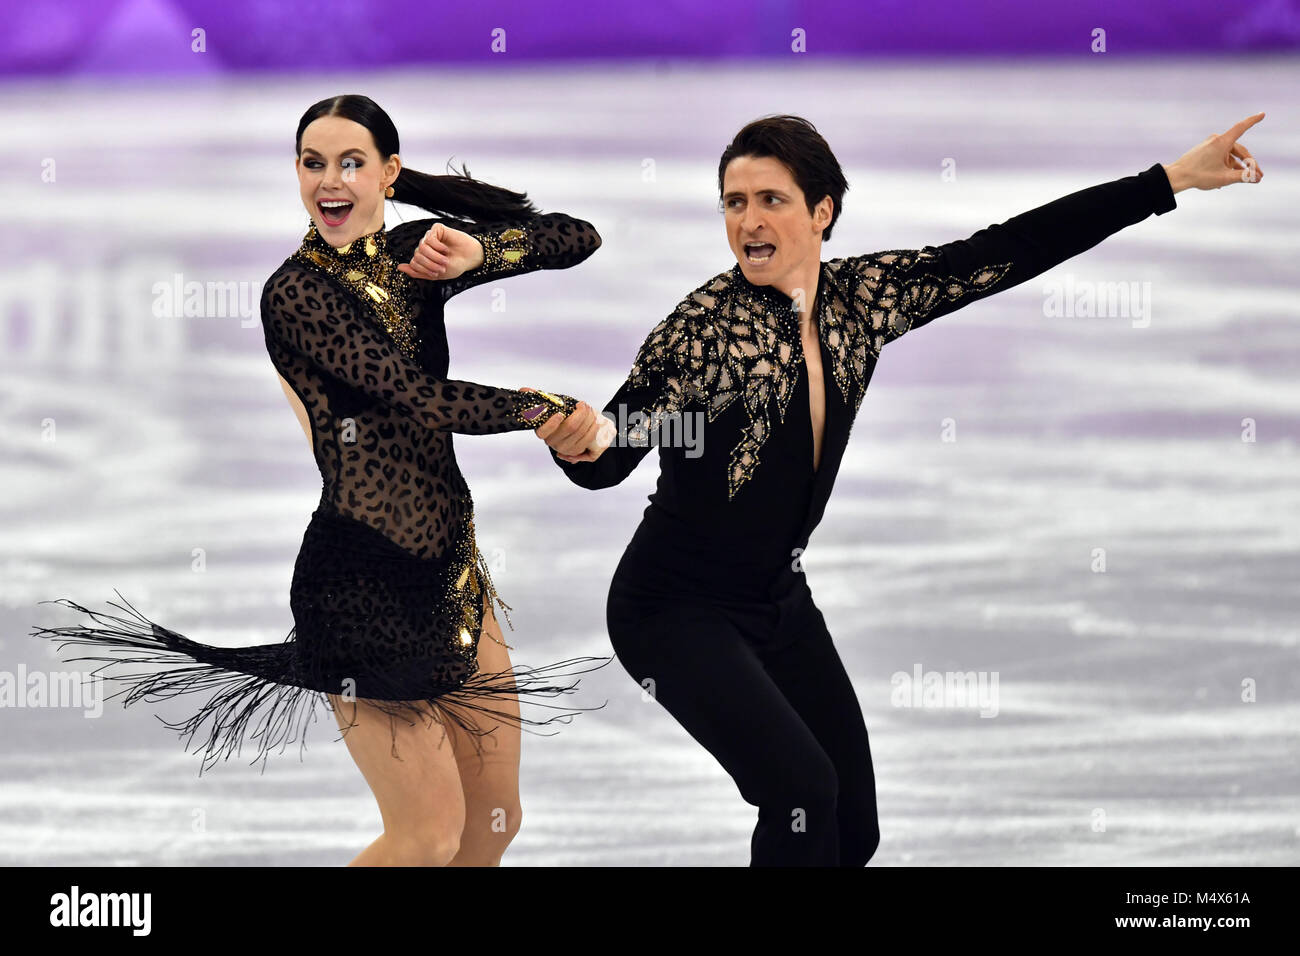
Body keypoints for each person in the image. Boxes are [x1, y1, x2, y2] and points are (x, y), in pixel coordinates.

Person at [533, 112, 1265, 866]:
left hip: (775, 599)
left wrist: (1168, 180)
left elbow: (1011, 249)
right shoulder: (704, 330)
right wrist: (580, 444)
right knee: (799, 792)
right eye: (733, 201)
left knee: (853, 825)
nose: (747, 220)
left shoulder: (865, 299)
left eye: (770, 200)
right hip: (672, 608)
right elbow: (614, 449)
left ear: (822, 212)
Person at [30, 94, 612, 867]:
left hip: (454, 576)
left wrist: (476, 253)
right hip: (361, 588)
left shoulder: (417, 257)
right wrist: (544, 407)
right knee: (426, 837)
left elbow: (577, 237)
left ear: (388, 174)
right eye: (313, 163)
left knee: (494, 822)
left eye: (351, 163)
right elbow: (415, 398)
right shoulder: (295, 295)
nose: (329, 181)